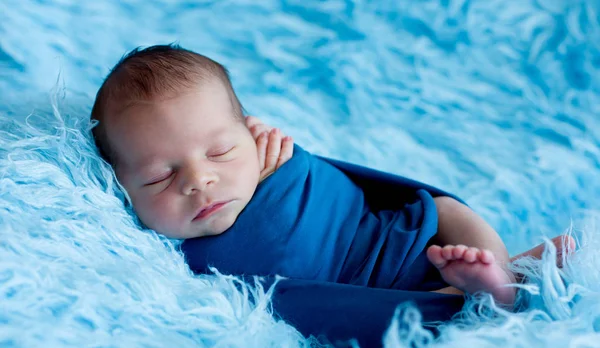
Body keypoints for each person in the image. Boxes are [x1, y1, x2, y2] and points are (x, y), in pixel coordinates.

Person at [90, 44, 575, 312]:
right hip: (366, 295)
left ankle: (500, 269)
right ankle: (477, 292)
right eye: (158, 177)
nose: (199, 180)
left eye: (220, 150)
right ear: (119, 186)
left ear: (251, 132)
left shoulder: (269, 163)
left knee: (443, 209)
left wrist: (285, 167)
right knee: (418, 309)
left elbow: (326, 186)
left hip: (401, 238)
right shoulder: (165, 260)